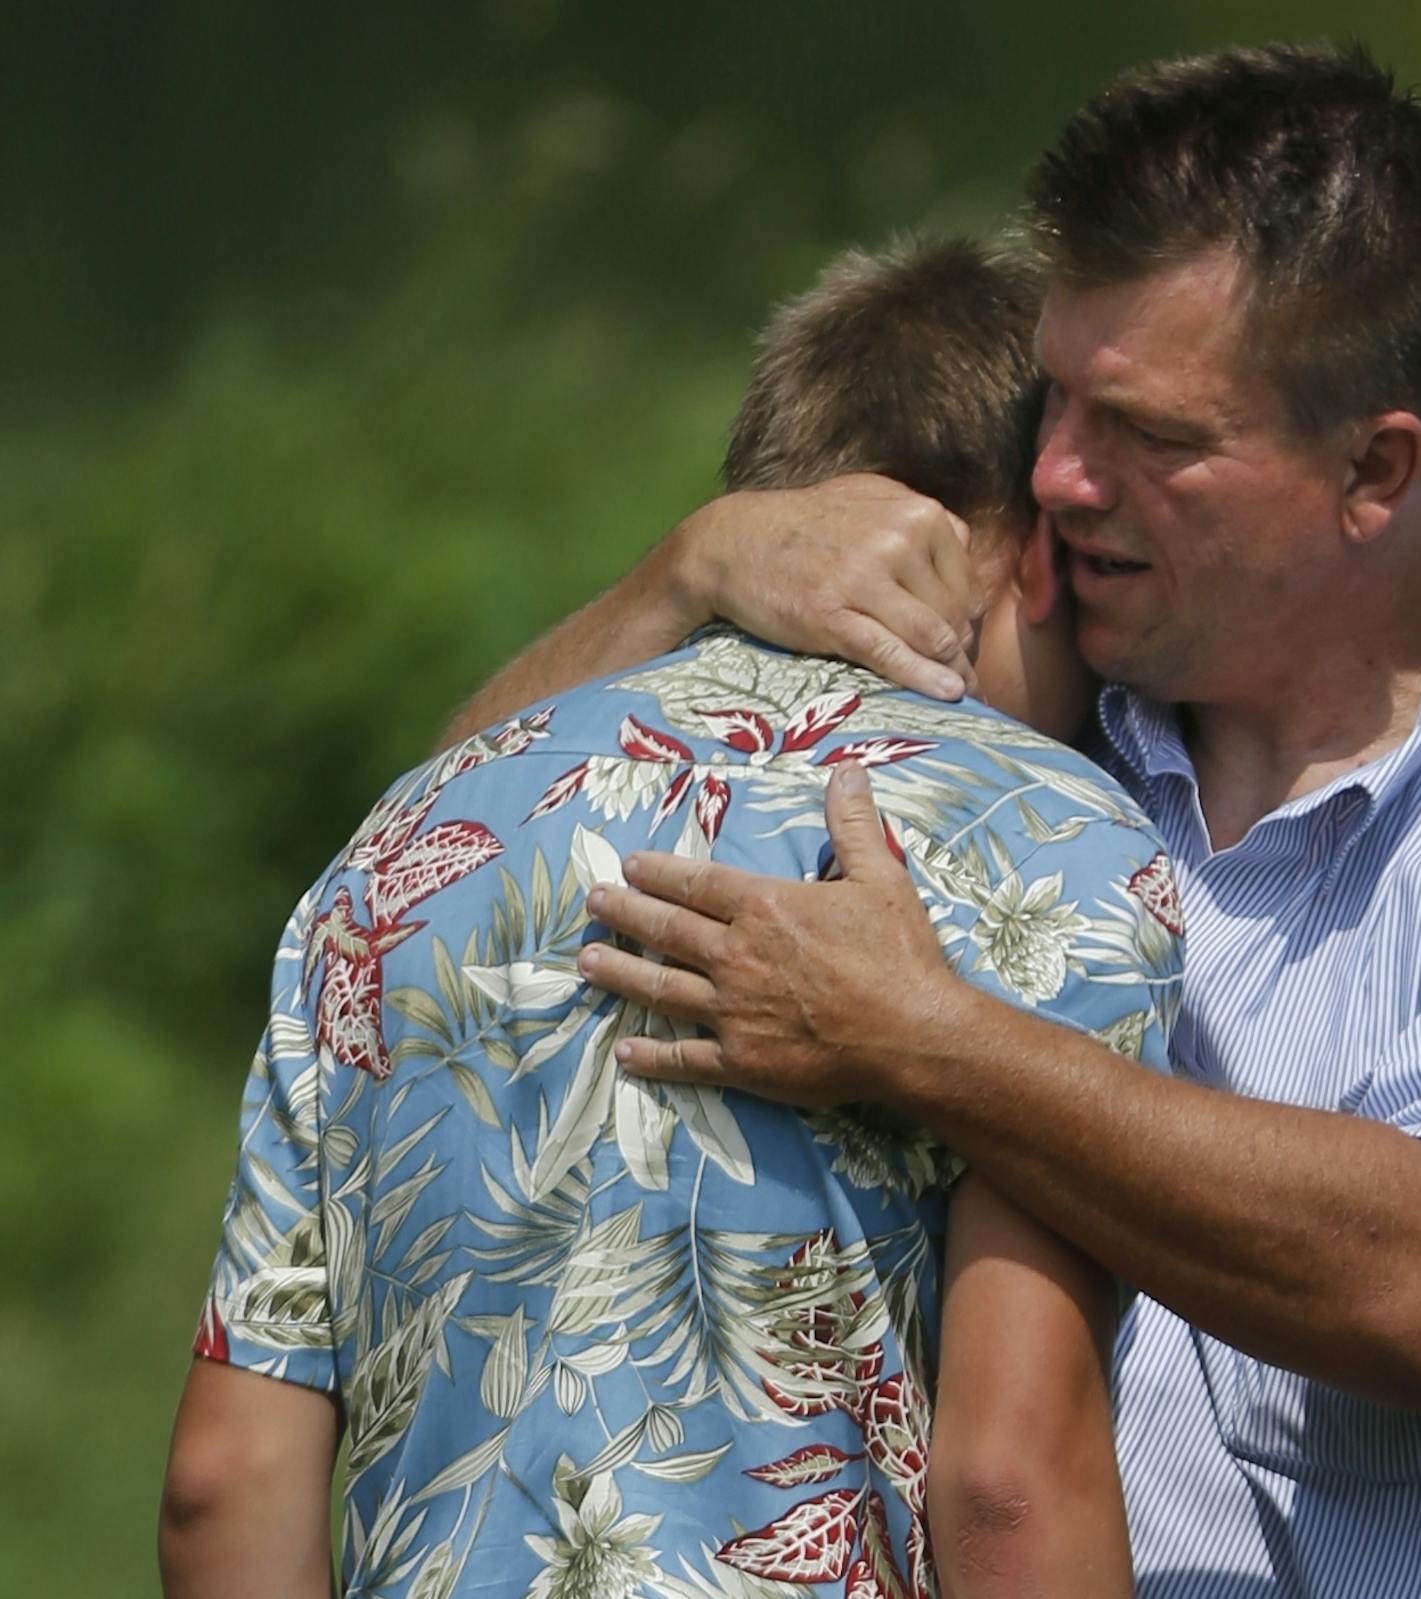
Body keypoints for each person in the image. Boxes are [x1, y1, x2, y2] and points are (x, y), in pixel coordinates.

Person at [444, 43, 1421, 1598]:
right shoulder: (1032, 711)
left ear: (1375, 471)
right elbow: (439, 859)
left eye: (1151, 434)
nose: (1059, 475)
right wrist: (686, 571)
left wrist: (928, 1041)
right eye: (1059, 396)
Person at [158, 238, 1184, 1599]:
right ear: (1042, 546)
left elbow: (220, 1485)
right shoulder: (1059, 852)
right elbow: (1008, 1486)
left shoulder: (400, 850)